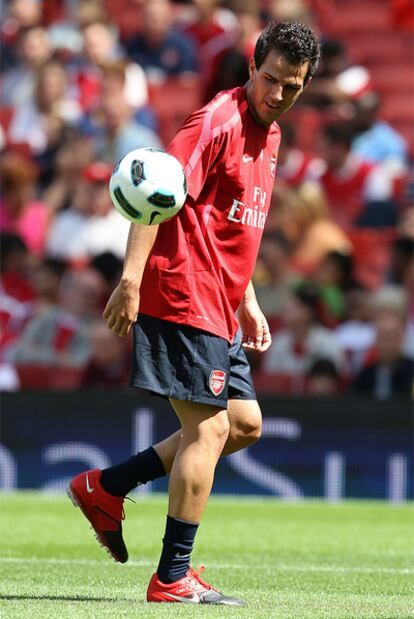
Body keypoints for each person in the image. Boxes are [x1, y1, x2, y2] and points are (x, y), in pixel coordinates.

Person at [67, 21, 320, 605]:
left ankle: (108, 487)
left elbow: (234, 228)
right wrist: (130, 280)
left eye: (293, 86)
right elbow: (155, 192)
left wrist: (248, 301)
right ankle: (172, 577)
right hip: (182, 291)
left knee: (244, 425)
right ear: (252, 66)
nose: (277, 94)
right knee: (208, 429)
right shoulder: (216, 121)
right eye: (271, 79)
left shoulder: (273, 135)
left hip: (221, 302)